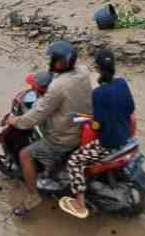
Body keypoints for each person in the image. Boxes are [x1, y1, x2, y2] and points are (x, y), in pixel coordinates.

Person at [6, 41, 92, 216]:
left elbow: (35, 116)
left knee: (25, 154)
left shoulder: (57, 87)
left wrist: (15, 121)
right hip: (82, 122)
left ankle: (32, 196)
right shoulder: (84, 71)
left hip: (64, 137)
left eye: (53, 59)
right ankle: (51, 169)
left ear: (60, 63)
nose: (51, 61)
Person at [59, 48, 135, 219]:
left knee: (74, 161)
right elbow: (130, 108)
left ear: (98, 69)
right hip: (126, 137)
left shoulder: (98, 93)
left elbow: (97, 126)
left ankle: (79, 203)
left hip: (108, 144)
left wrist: (92, 120)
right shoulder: (122, 83)